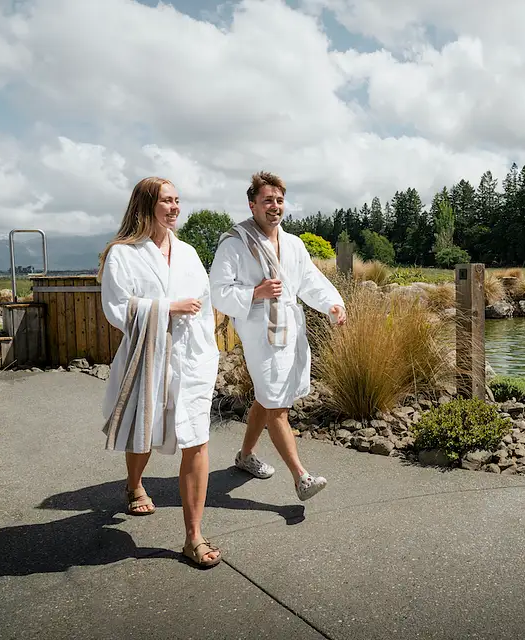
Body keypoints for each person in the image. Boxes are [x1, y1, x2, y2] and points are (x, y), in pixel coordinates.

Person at [99, 176, 222, 569]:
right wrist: (167, 307)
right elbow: (117, 308)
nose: (175, 208)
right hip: (149, 356)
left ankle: (193, 536)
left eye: (177, 201)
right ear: (146, 205)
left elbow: (202, 303)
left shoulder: (187, 252)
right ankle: (134, 484)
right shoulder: (123, 254)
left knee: (197, 441)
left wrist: (208, 351)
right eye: (166, 201)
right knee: (144, 433)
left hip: (192, 357)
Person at [209, 171, 347, 502]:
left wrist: (333, 304)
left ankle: (244, 457)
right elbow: (218, 292)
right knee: (277, 407)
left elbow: (309, 280)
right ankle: (302, 477)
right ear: (252, 204)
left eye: (280, 200)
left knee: (266, 397)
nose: (275, 206)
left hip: (290, 330)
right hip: (260, 334)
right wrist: (255, 293)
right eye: (268, 200)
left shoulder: (293, 244)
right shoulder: (235, 242)